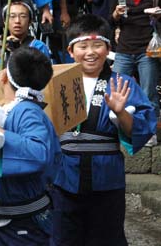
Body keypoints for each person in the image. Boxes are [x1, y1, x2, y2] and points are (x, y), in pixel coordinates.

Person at [51, 14, 157, 246]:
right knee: (63, 237)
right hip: (64, 174)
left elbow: (141, 128)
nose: (90, 52)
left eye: (97, 45)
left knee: (107, 238)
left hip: (106, 175)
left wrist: (121, 113)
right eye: (83, 46)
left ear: (108, 48)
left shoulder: (122, 83)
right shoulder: (57, 82)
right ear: (71, 51)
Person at [0, 47, 61, 245]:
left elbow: (38, 154)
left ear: (4, 76)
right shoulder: (11, 108)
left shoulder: (27, 111)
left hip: (22, 221)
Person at [111, 0, 160, 146]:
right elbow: (110, 19)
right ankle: (116, 129)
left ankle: (150, 132)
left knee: (148, 92)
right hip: (124, 48)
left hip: (147, 49)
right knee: (115, 90)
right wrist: (115, 14)